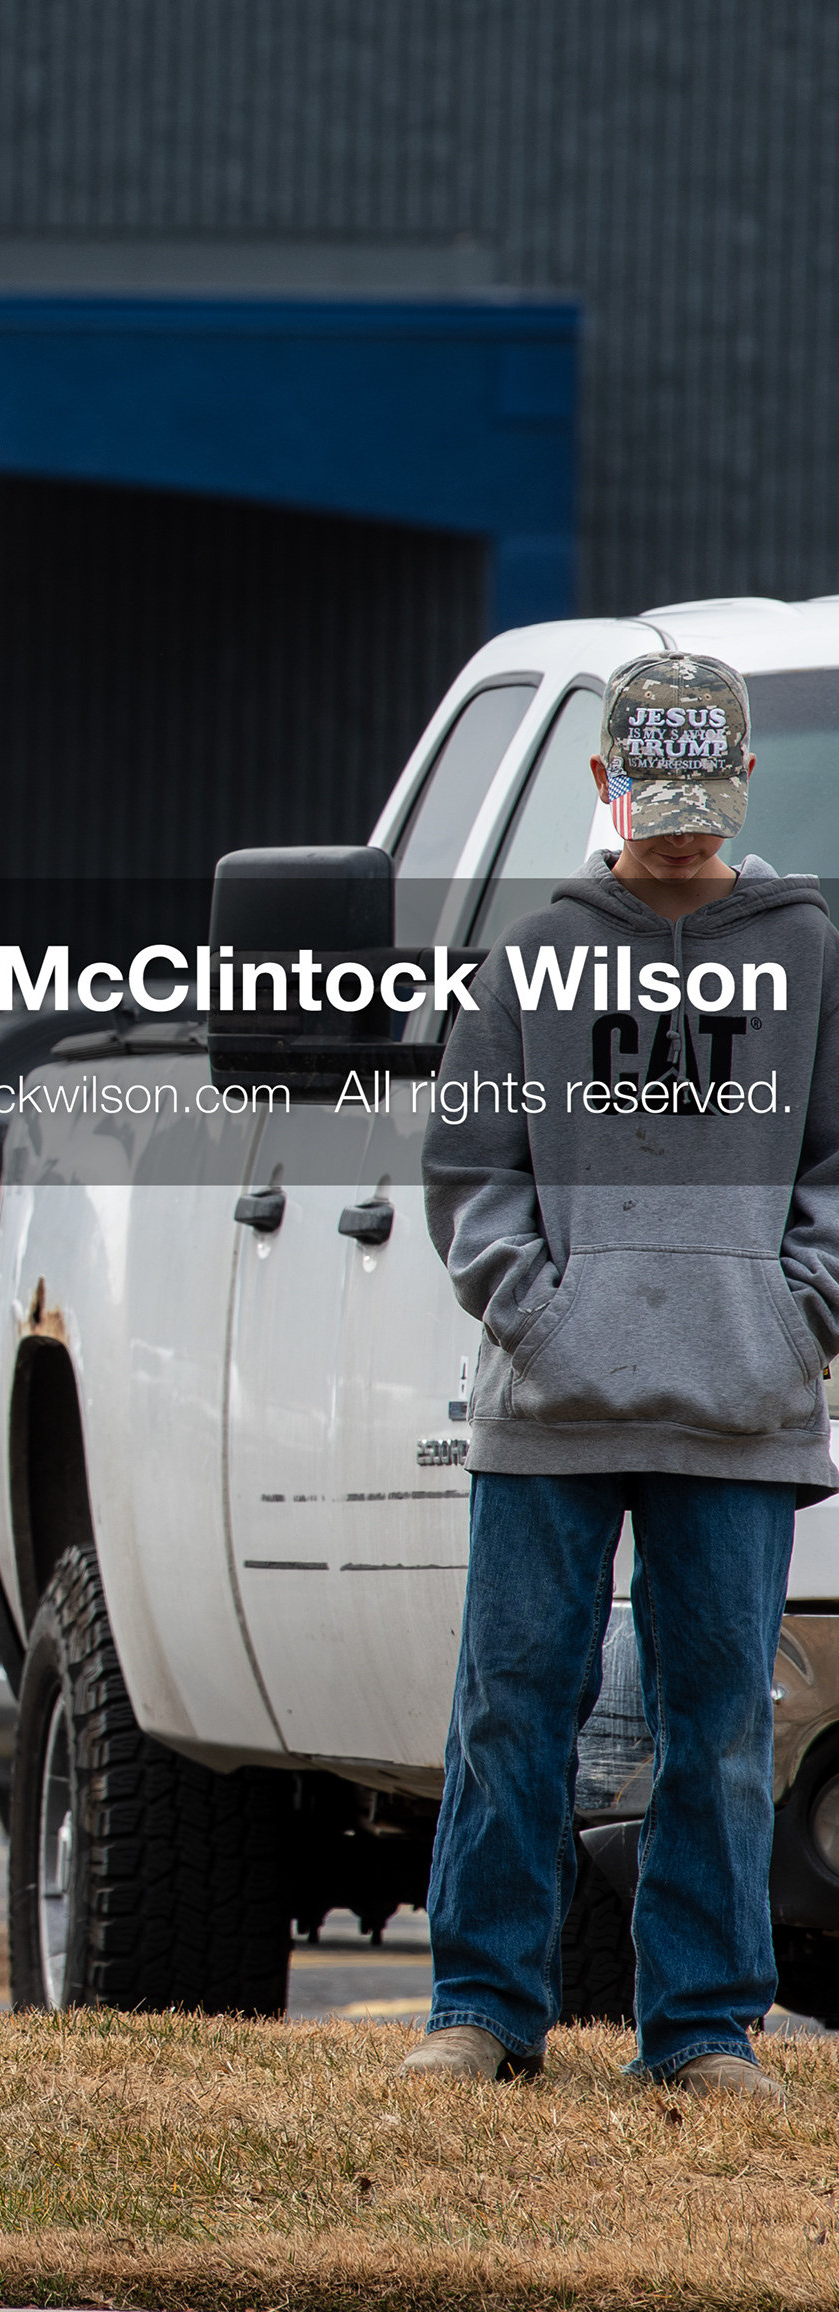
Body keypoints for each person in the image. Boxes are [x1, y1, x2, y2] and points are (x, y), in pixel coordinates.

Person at [407, 651, 836, 2097]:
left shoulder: (813, 953)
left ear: (744, 787)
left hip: (743, 1403)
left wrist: (792, 1322)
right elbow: (470, 1167)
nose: (676, 829)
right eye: (652, 799)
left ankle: (706, 2029)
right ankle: (480, 2012)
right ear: (603, 786)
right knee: (510, 1702)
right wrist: (542, 1316)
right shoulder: (530, 956)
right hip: (551, 1406)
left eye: (701, 803)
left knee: (719, 1719)